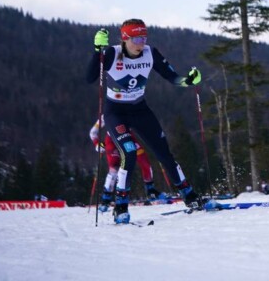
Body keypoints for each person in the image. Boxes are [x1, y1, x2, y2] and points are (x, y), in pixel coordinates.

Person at [86, 18, 203, 224]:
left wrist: (188, 81)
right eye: (137, 39)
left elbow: (172, 76)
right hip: (116, 112)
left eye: (144, 38)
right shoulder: (112, 53)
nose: (141, 43)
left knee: (164, 153)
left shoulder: (151, 53)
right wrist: (97, 51)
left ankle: (189, 194)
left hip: (140, 110)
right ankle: (120, 206)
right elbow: (90, 78)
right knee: (129, 153)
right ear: (125, 38)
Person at [89, 116, 163, 211]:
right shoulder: (107, 114)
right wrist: (97, 144)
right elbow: (93, 132)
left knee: (144, 161)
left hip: (128, 138)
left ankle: (151, 191)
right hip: (112, 141)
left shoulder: (131, 110)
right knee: (114, 169)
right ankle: (106, 199)